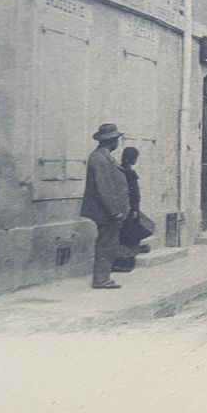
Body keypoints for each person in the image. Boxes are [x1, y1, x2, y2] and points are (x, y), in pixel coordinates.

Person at [79, 123, 130, 289]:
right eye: (116, 139)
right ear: (111, 141)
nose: (117, 143)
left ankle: (104, 277)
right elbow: (104, 189)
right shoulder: (100, 159)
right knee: (106, 244)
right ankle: (101, 279)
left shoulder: (103, 156)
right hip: (106, 212)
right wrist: (115, 212)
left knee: (108, 243)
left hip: (108, 211)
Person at [113, 147, 151, 274]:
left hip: (121, 208)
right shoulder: (130, 173)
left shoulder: (118, 170)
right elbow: (134, 194)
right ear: (133, 159)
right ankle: (127, 264)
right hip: (131, 209)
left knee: (122, 236)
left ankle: (118, 263)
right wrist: (134, 209)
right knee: (131, 237)